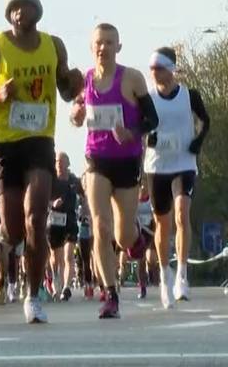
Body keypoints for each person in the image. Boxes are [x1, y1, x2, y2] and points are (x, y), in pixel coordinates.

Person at [0, 0, 84, 324]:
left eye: (26, 7)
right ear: (9, 14)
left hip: (39, 139)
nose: (21, 12)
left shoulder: (54, 45)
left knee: (37, 219)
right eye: (14, 8)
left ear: (37, 11)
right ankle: (3, 237)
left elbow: (64, 90)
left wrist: (73, 85)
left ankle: (33, 297)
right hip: (4, 142)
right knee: (16, 228)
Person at [70, 23, 157, 319]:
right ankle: (111, 293)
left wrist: (132, 133)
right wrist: (77, 115)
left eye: (109, 42)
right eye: (98, 42)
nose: (103, 47)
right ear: (91, 46)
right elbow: (76, 116)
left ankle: (136, 239)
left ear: (118, 47)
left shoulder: (132, 78)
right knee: (101, 227)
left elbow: (152, 120)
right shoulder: (86, 80)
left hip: (127, 161)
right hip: (96, 160)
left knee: (122, 236)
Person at [143, 47, 210, 308]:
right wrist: (148, 138)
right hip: (157, 165)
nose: (154, 73)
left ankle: (182, 274)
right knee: (163, 224)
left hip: (184, 162)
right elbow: (142, 125)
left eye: (158, 68)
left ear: (170, 69)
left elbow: (205, 120)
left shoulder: (189, 96)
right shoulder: (147, 97)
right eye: (151, 69)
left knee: (182, 213)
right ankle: (164, 276)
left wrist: (198, 142)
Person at [48, 152, 80, 302]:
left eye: (62, 161)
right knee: (56, 258)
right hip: (54, 221)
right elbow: (42, 198)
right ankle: (56, 283)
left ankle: (66, 287)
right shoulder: (51, 180)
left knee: (68, 256)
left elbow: (86, 196)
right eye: (57, 162)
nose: (59, 164)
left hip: (70, 220)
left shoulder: (74, 180)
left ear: (68, 163)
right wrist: (52, 204)